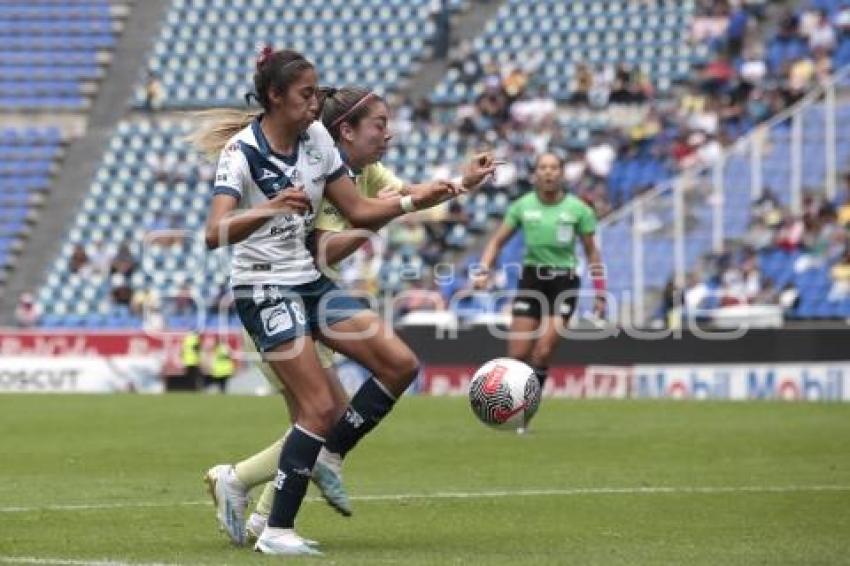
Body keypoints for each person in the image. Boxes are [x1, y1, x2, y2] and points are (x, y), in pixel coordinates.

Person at [197, 47, 495, 555]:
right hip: (264, 288)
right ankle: (274, 530)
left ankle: (327, 457)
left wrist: (416, 200)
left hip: (309, 284)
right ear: (275, 96)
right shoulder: (242, 153)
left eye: (317, 93)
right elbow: (213, 232)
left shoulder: (316, 140)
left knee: (399, 363)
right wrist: (267, 208)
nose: (317, 105)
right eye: (306, 94)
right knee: (318, 407)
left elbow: (357, 209)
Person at [474, 152, 605, 433]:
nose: (548, 172)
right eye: (543, 168)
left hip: (564, 282)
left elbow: (592, 252)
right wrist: (484, 269)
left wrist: (600, 292)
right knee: (517, 354)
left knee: (543, 352)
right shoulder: (522, 206)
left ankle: (524, 417)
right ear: (535, 174)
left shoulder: (579, 209)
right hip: (532, 281)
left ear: (562, 173)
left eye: (554, 167)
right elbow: (496, 242)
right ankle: (505, 409)